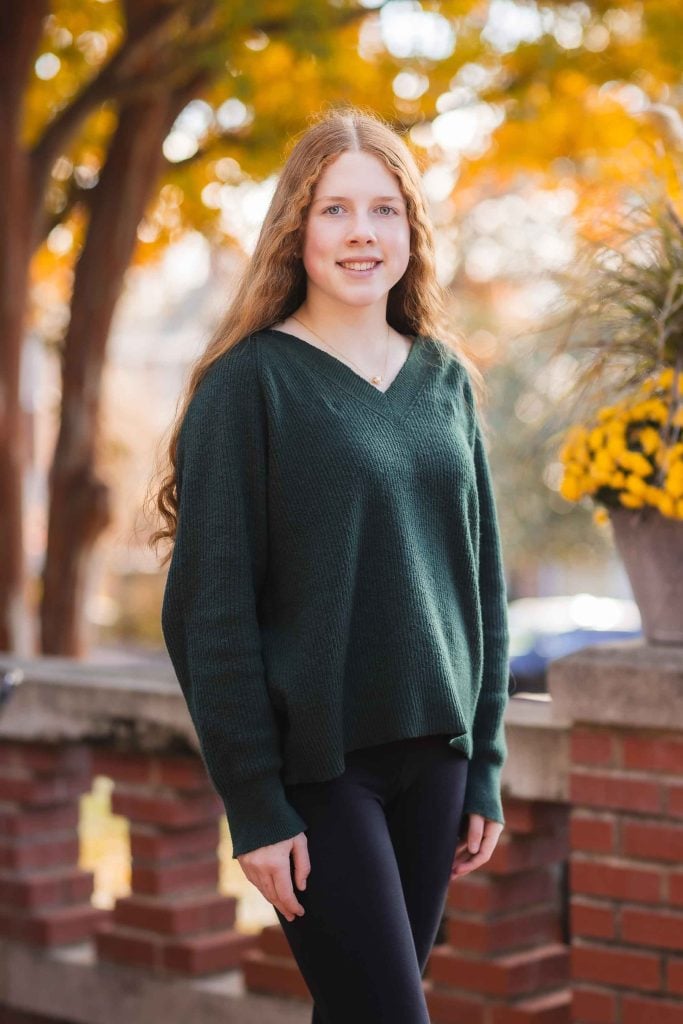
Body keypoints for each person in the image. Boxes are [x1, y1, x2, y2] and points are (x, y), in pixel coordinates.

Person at [151, 105, 511, 1024]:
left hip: (434, 760)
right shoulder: (249, 386)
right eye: (334, 210)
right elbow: (209, 613)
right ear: (294, 230)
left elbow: (480, 588)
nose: (361, 233)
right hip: (318, 769)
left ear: (410, 230)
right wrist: (254, 803)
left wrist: (484, 764)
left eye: (384, 210)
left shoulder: (444, 380)